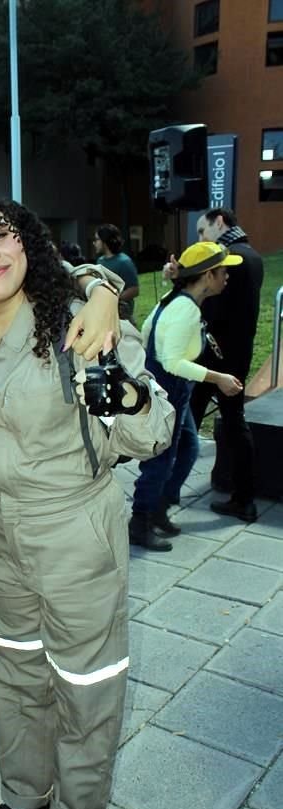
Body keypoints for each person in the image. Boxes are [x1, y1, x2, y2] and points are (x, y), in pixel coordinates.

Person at [0, 192, 174, 809]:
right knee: (14, 668)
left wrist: (123, 388)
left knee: (85, 680)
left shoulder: (77, 322)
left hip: (76, 526)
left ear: (29, 241)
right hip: (1, 529)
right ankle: (24, 789)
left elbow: (155, 429)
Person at [130, 242, 243, 552]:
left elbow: (146, 328)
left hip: (171, 391)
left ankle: (157, 509)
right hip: (172, 390)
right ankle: (139, 522)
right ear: (208, 275)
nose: (227, 277)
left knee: (189, 449)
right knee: (161, 459)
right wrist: (218, 378)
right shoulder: (187, 309)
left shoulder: (175, 300)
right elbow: (172, 362)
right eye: (223, 272)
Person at [192, 208, 264, 522]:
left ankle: (243, 498)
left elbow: (215, 310)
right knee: (226, 422)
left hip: (218, 356)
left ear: (219, 223)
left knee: (197, 420)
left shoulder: (232, 258)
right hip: (234, 353)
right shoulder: (252, 254)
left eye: (201, 230)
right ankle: (242, 496)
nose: (200, 237)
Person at [93, 224, 139, 322]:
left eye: (97, 239)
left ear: (105, 242)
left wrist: (114, 298)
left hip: (121, 317)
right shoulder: (100, 261)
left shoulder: (124, 262)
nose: (94, 243)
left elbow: (134, 290)